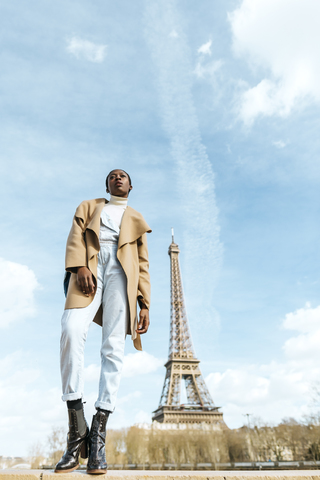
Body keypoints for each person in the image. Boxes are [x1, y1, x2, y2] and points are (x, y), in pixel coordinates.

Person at [55, 169, 151, 474]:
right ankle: (76, 427)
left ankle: (97, 432)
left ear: (130, 186)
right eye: (112, 175)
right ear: (107, 184)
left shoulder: (136, 218)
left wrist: (144, 303)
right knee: (71, 328)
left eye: (123, 175)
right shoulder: (89, 206)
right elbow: (75, 236)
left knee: (113, 349)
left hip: (122, 276)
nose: (117, 178)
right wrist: (79, 265)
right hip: (90, 270)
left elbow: (143, 264)